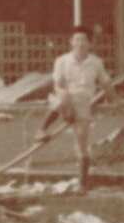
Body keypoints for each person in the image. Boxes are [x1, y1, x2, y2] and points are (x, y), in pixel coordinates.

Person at [34, 26, 115, 191]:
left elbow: (106, 83)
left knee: (82, 143)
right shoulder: (62, 60)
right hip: (65, 98)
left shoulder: (96, 62)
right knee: (61, 98)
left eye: (84, 40)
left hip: (84, 102)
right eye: (76, 39)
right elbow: (58, 85)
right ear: (71, 42)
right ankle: (41, 130)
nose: (80, 43)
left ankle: (82, 183)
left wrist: (116, 100)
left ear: (90, 43)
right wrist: (68, 106)